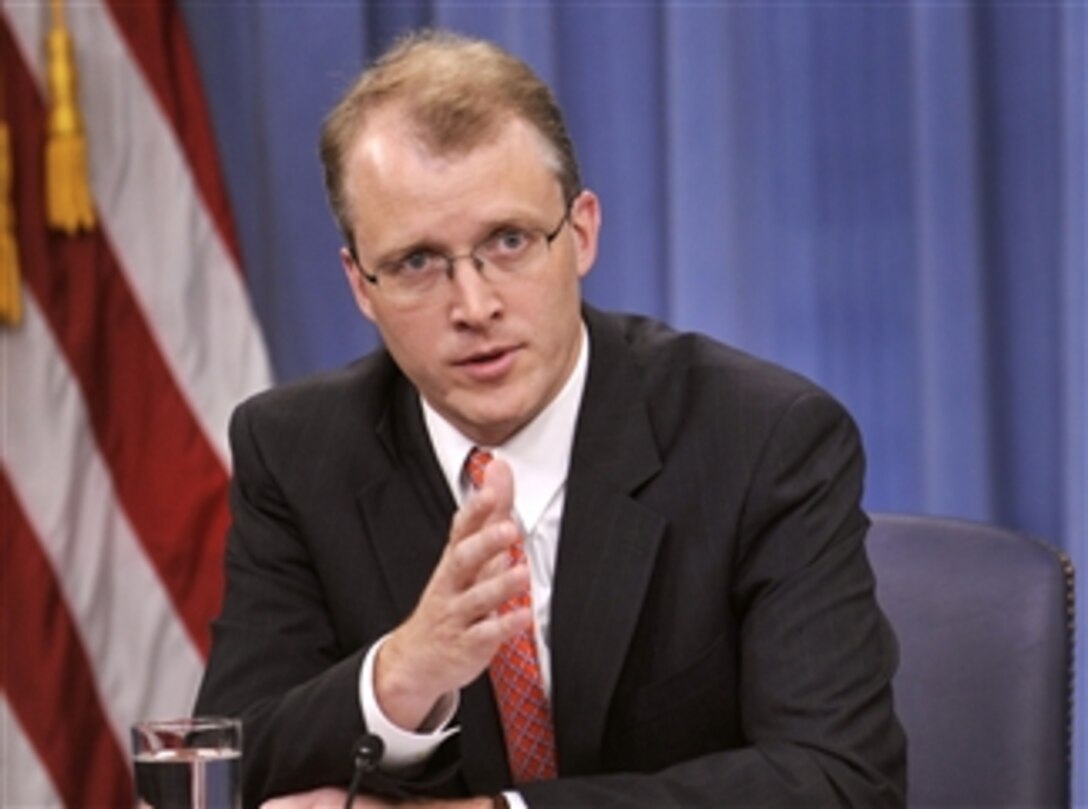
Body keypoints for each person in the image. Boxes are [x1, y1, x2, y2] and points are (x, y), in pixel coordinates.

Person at [195, 29, 907, 809]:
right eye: (416, 263)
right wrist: (401, 675)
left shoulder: (764, 439)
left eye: (509, 241)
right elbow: (224, 767)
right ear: (360, 285)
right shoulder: (297, 453)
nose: (475, 306)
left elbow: (840, 782)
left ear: (583, 232)